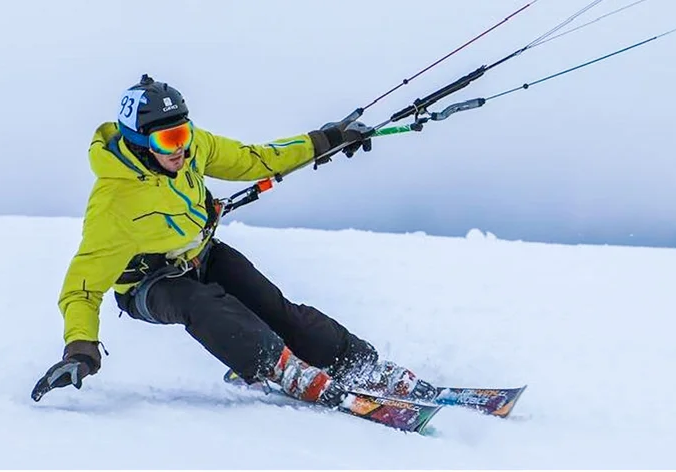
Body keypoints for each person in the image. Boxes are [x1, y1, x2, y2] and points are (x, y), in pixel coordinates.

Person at [31, 74, 435, 406]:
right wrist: (80, 348)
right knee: (203, 303)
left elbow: (255, 159)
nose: (183, 149)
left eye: (184, 134)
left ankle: (359, 365)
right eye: (168, 141)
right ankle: (278, 366)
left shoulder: (194, 147)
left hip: (201, 253)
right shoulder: (113, 204)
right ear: (139, 142)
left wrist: (326, 139)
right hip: (149, 285)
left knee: (275, 308)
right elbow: (82, 287)